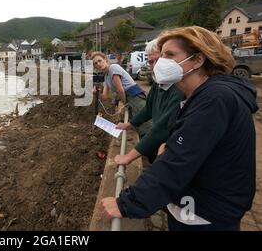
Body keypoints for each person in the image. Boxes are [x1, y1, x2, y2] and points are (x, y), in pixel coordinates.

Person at [100, 26, 257, 231]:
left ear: (198, 60)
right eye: (160, 55)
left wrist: (127, 202)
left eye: (170, 55)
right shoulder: (194, 96)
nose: (160, 63)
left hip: (204, 215)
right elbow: (181, 145)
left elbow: (178, 160)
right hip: (194, 207)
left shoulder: (215, 98)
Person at [114, 39, 184, 166]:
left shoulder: (180, 89)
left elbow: (163, 127)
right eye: (151, 62)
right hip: (160, 143)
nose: (155, 65)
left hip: (172, 147)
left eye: (159, 60)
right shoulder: (158, 85)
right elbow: (148, 109)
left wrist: (129, 157)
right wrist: (130, 124)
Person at [91, 52, 151, 137]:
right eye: (95, 63)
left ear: (105, 59)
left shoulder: (113, 68)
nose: (98, 64)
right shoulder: (106, 76)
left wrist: (124, 104)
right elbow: (104, 97)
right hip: (128, 99)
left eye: (100, 60)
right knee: (139, 127)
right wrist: (97, 92)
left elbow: (120, 90)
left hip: (135, 97)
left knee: (146, 127)